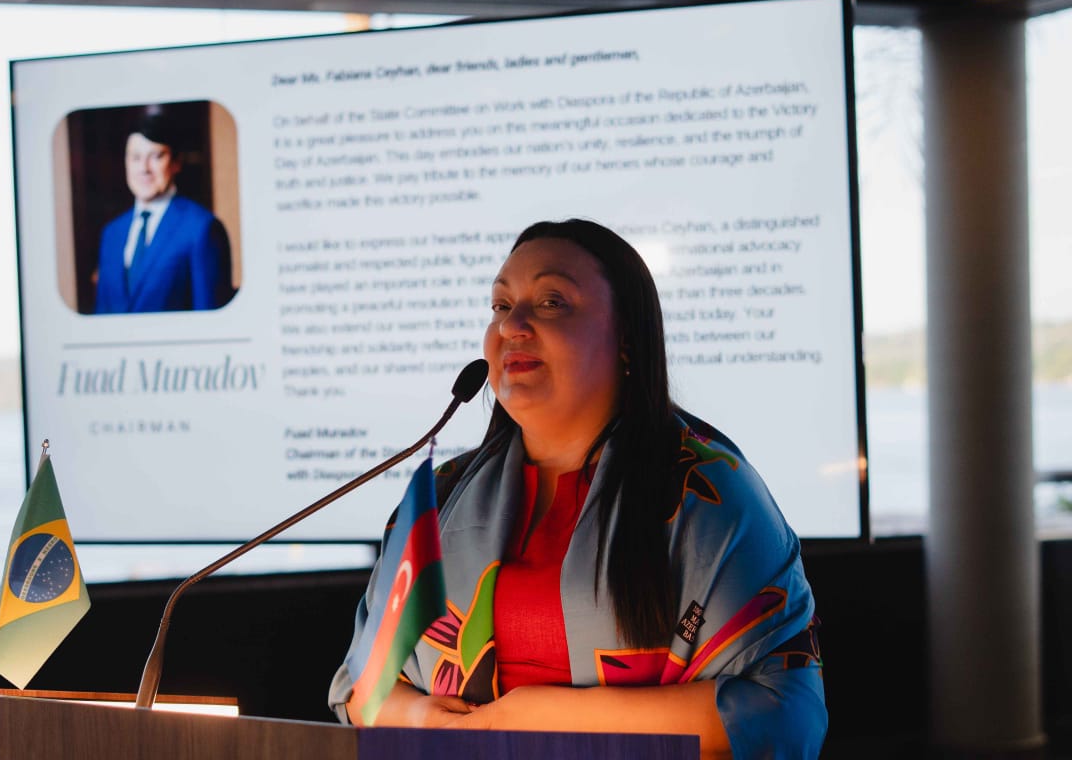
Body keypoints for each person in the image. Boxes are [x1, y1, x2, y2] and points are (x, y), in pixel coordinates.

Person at [329, 219, 827, 758]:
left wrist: (535, 719)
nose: (512, 325)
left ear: (626, 338)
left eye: (551, 302)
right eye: (500, 305)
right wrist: (422, 720)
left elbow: (784, 712)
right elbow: (360, 687)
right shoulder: (443, 494)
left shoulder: (709, 491)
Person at [92, 113, 233, 314]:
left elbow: (209, 319)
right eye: (135, 158)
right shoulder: (111, 233)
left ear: (176, 163)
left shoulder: (201, 229)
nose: (144, 169)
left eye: (156, 156)